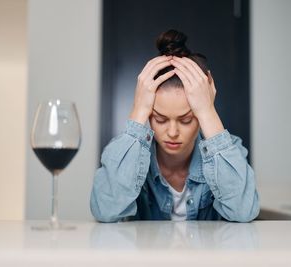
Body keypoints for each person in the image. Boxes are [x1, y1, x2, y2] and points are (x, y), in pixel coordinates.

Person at [91, 29, 259, 222]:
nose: (172, 132)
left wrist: (207, 111)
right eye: (160, 119)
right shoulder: (128, 156)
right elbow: (105, 210)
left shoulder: (231, 151)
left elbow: (243, 211)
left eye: (186, 120)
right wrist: (138, 110)